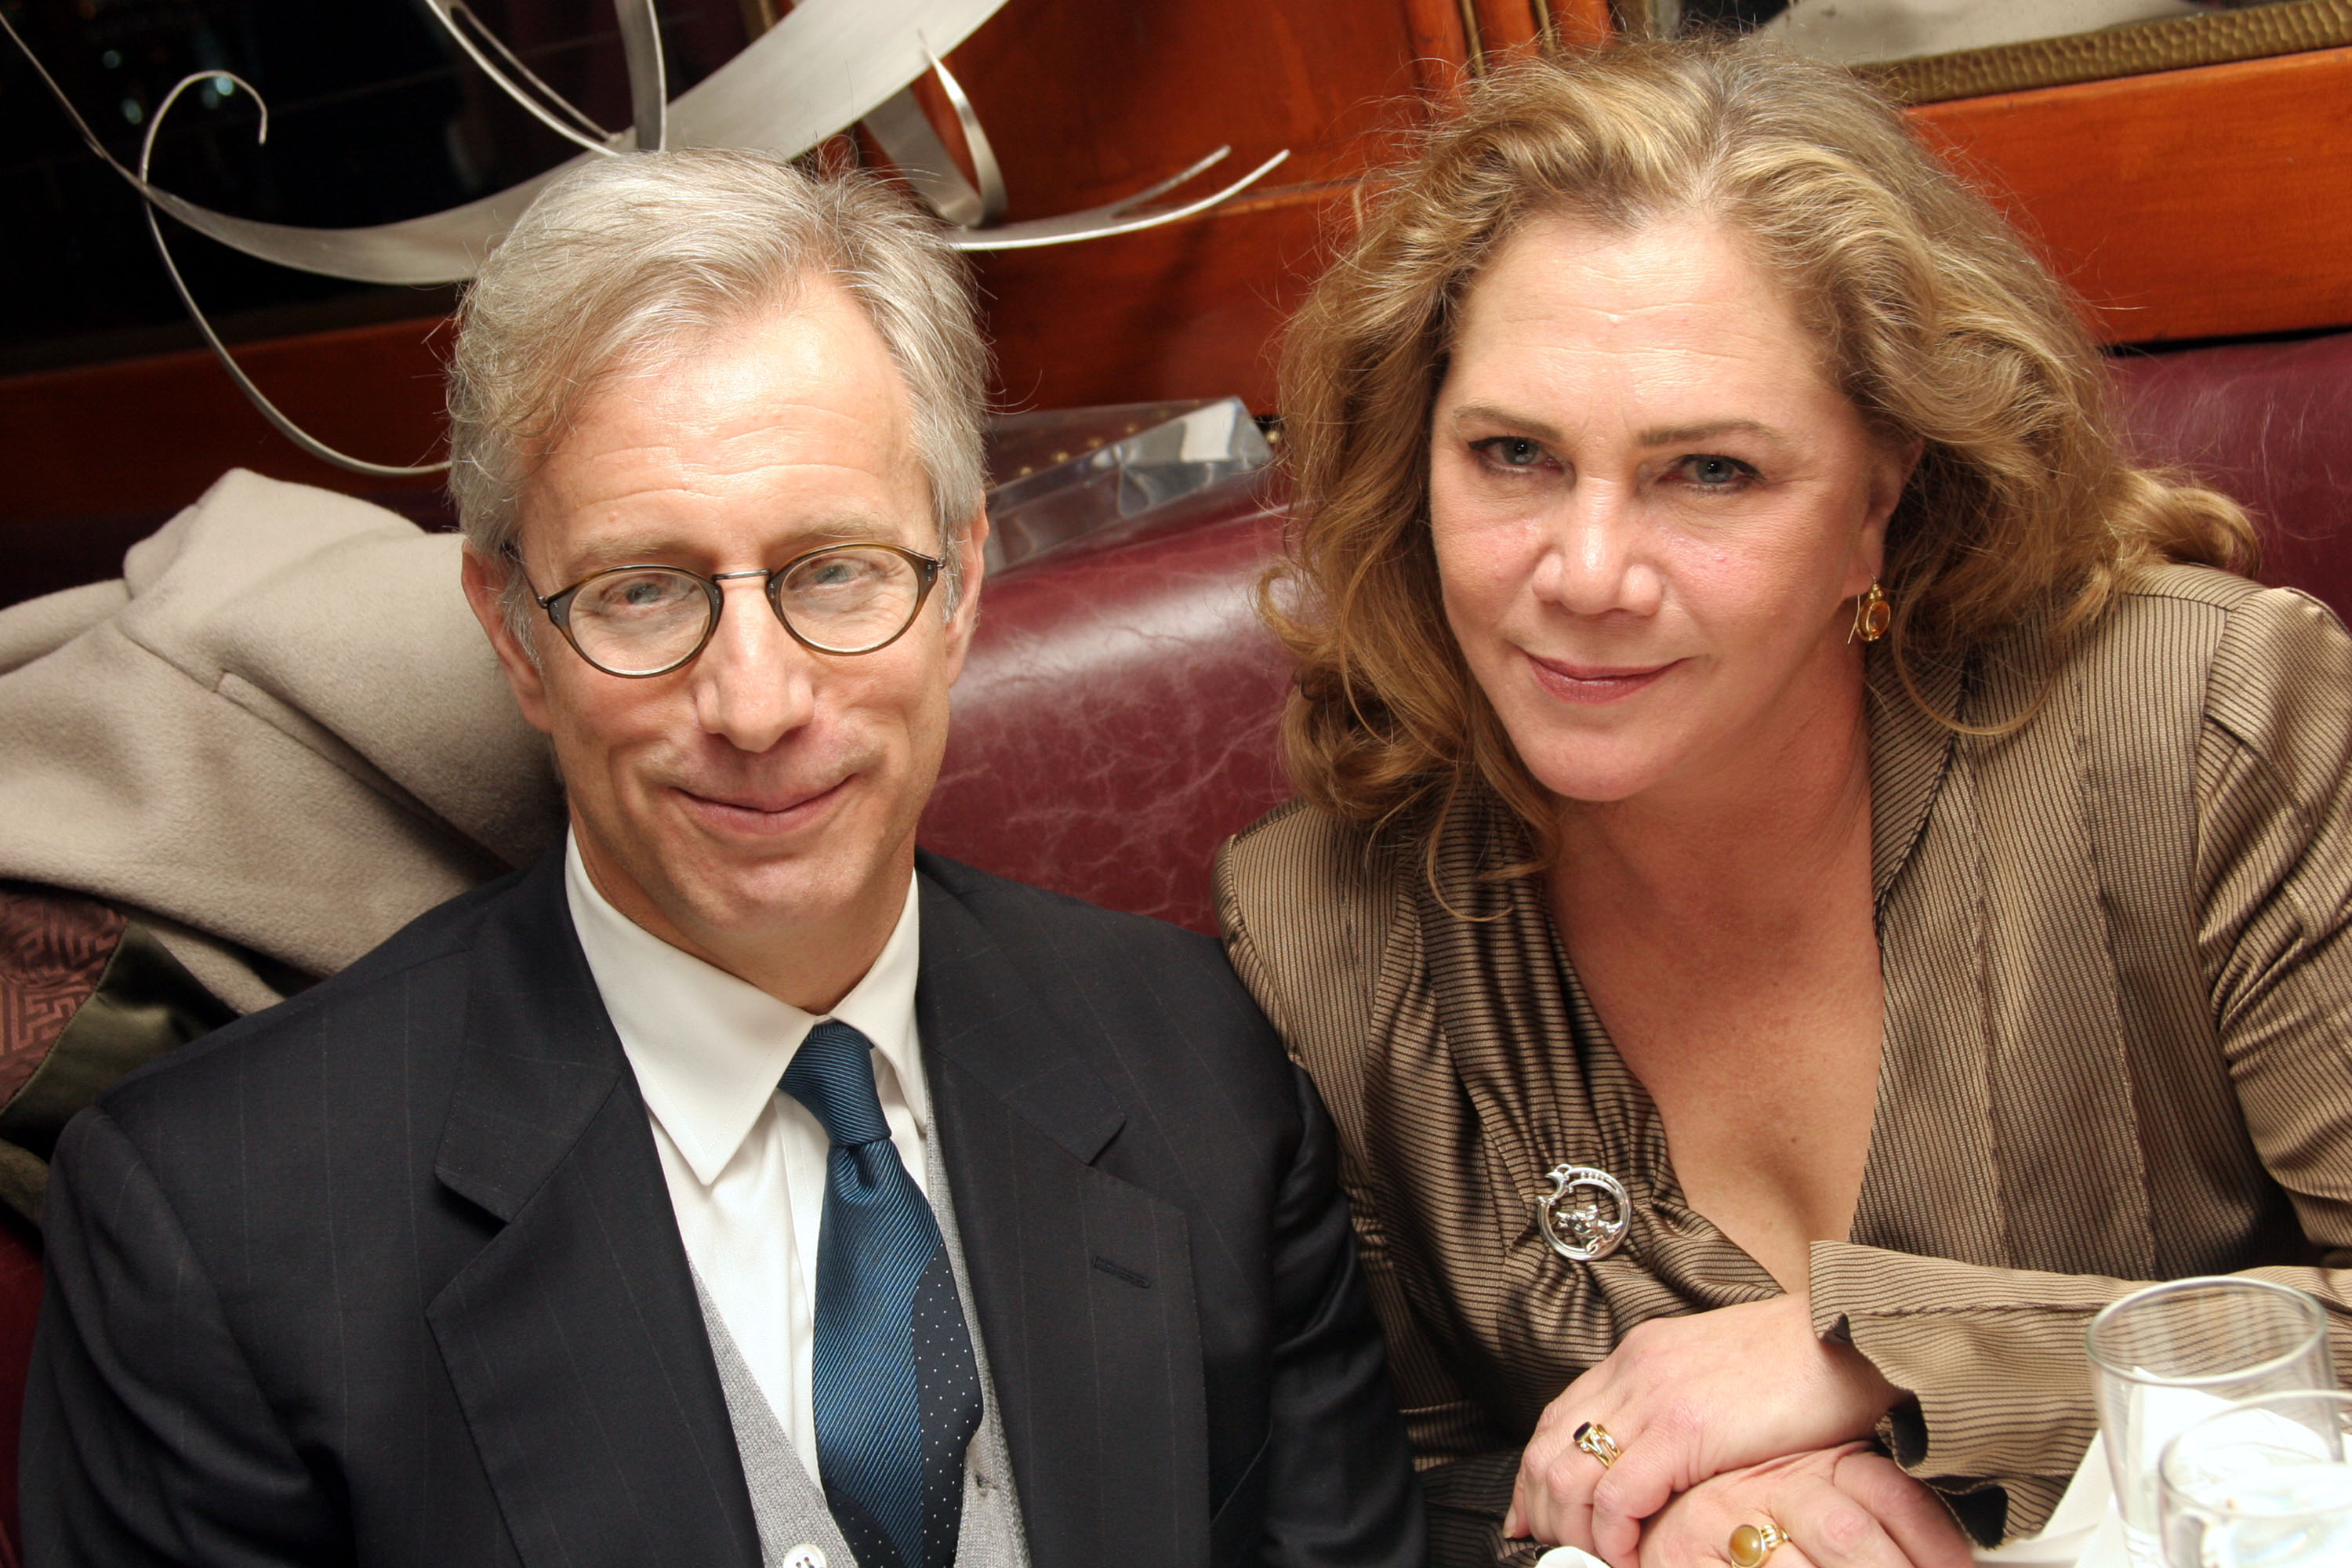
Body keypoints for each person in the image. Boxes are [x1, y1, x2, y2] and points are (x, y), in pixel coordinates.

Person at [24, 148, 1425, 1568]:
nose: (757, 704)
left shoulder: (1208, 1074)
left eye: (833, 570)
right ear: (513, 632)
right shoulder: (211, 1230)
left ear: (960, 588)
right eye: (644, 591)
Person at [1214, 36, 2352, 1568]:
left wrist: (1882, 1350)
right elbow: (1407, 1505)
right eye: (1513, 456)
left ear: (1882, 494)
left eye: (1710, 474)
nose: (1589, 573)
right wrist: (1691, 1515)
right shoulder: (1327, 929)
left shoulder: (2195, 730)